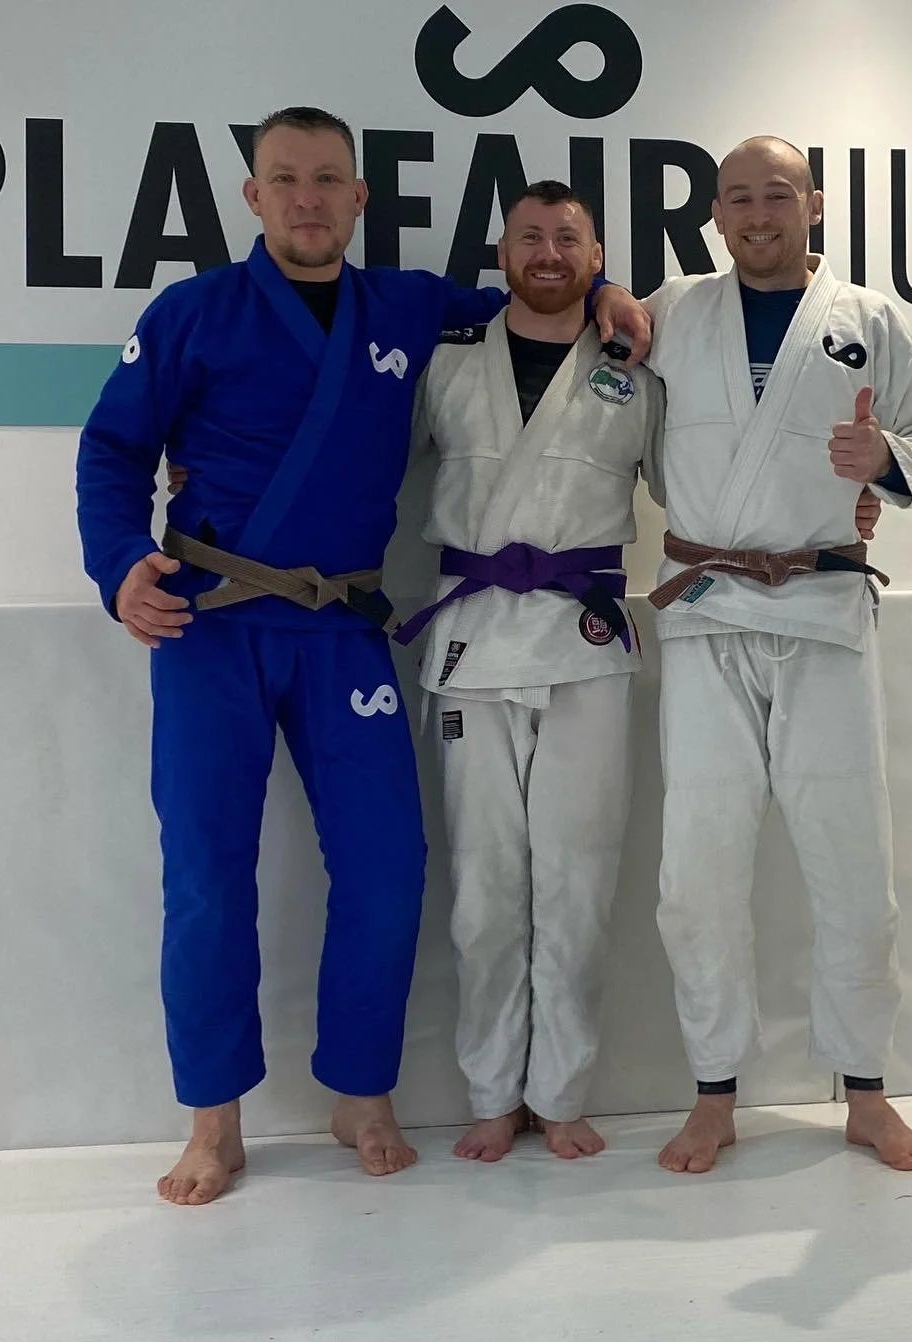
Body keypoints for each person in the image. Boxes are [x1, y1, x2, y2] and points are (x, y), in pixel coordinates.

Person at [75, 107, 649, 1205]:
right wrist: (118, 565)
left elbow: (537, 301)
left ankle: (361, 1091)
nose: (307, 197)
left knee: (388, 870)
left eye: (328, 179)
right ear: (252, 196)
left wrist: (612, 297)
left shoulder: (408, 306)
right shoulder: (194, 312)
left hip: (344, 629)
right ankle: (213, 1119)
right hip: (211, 626)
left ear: (359, 197)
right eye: (284, 178)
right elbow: (113, 448)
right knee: (205, 879)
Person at [640, 136, 912, 1174]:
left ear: (812, 205)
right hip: (706, 612)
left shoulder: (865, 320)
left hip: (823, 609)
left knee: (852, 860)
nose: (758, 214)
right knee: (697, 866)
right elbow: (611, 410)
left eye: (778, 195)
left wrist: (887, 465)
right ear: (718, 216)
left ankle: (865, 1092)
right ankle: (714, 1092)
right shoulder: (672, 311)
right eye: (739, 199)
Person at [393, 180, 664, 1161]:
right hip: (471, 648)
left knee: (580, 883)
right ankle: (487, 1090)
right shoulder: (448, 361)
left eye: (569, 238)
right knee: (482, 889)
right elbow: (365, 457)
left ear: (597, 256)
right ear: (502, 250)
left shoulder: (637, 367)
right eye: (530, 236)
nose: (548, 252)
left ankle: (560, 1090)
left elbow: (698, 483)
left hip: (584, 645)